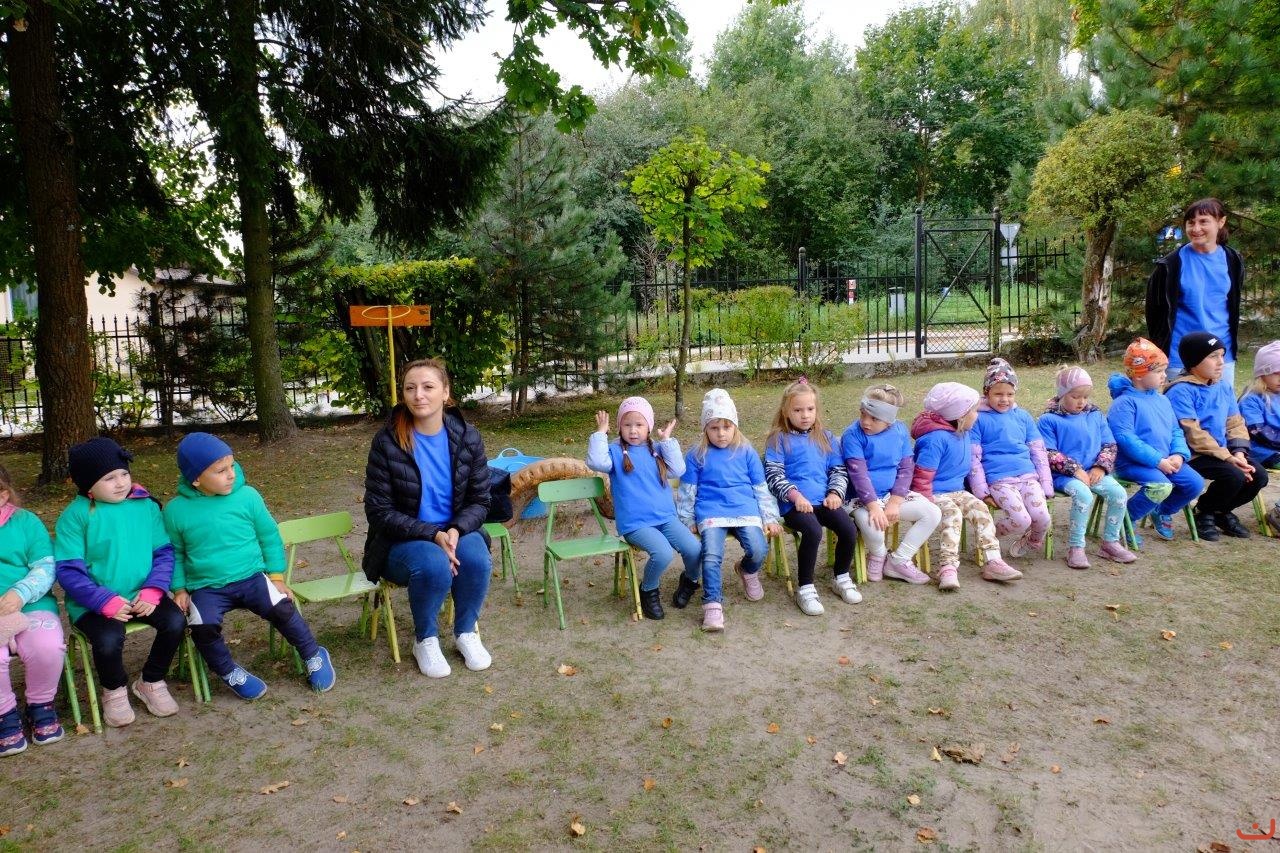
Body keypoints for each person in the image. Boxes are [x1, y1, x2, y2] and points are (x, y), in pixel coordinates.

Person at [164, 433, 336, 699]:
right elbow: (174, 553)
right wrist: (179, 589)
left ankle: (313, 654)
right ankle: (229, 671)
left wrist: (276, 577)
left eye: (232, 466)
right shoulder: (175, 511)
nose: (231, 474)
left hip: (251, 577)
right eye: (221, 471)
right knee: (201, 625)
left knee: (281, 606)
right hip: (207, 587)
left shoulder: (247, 497)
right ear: (196, 479)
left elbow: (269, 536)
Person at [363, 358, 493, 678]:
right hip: (401, 540)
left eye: (428, 387)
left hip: (453, 530)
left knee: (477, 558)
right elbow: (379, 512)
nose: (418, 395)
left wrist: (456, 530)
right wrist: (433, 535)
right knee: (434, 564)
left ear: (445, 392)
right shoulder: (387, 441)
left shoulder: (468, 437)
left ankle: (465, 632)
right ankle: (425, 639)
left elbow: (480, 500)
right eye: (410, 388)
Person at [54, 438, 186, 727]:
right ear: (88, 485)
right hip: (94, 603)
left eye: (124, 473)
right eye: (109, 478)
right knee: (108, 640)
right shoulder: (74, 517)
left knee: (175, 622)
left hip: (142, 595)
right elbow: (69, 571)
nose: (121, 482)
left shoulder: (145, 506)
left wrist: (153, 590)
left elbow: (163, 553)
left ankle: (151, 680)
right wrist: (103, 601)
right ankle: (114, 690)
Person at [676, 389, 781, 632]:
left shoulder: (746, 451)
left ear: (735, 426)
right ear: (705, 428)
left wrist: (769, 517)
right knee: (711, 555)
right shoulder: (696, 454)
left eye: (727, 426)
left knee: (758, 548)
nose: (721, 433)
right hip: (711, 511)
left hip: (745, 509)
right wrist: (687, 519)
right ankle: (712, 604)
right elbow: (687, 491)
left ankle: (747, 570)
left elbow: (760, 488)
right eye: (714, 428)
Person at [586, 397, 699, 620]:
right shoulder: (615, 452)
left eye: (639, 424)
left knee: (694, 550)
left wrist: (667, 441)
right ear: (619, 427)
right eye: (627, 425)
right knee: (663, 553)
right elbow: (596, 462)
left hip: (666, 518)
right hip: (636, 524)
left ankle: (690, 581)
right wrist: (600, 433)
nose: (633, 430)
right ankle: (648, 589)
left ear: (649, 426)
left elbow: (678, 470)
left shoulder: (657, 450)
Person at [910, 382, 1021, 589]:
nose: (977, 415)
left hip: (957, 490)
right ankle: (948, 567)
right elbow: (922, 476)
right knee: (952, 515)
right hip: (933, 493)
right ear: (960, 415)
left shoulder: (963, 431)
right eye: (974, 411)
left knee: (980, 510)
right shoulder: (935, 439)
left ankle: (993, 561)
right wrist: (926, 503)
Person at [763, 378, 859, 615]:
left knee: (849, 529)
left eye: (810, 409)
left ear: (816, 410)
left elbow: (838, 469)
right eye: (798, 410)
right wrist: (795, 496)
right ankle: (805, 588)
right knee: (813, 531)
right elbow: (774, 475)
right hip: (794, 505)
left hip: (824, 500)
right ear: (786, 412)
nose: (805, 415)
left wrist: (835, 492)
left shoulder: (826, 437)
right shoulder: (778, 439)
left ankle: (841, 577)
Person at [1164, 331, 1268, 540]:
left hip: (1222, 453)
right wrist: (1228, 458)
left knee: (1258, 475)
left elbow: (1235, 422)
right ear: (1194, 361)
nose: (1221, 362)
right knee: (1233, 476)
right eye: (1213, 356)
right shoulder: (1180, 390)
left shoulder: (1223, 387)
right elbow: (1193, 433)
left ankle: (1220, 511)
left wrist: (1238, 453)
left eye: (1222, 355)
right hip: (1192, 454)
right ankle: (1204, 511)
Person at [841, 384, 941, 585]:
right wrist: (873, 507)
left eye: (874, 418)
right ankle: (878, 555)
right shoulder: (852, 435)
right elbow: (858, 474)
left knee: (932, 513)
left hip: (890, 496)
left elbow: (906, 468)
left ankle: (898, 560)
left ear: (889, 420)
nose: (865, 421)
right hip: (860, 499)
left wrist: (895, 502)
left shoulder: (899, 431)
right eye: (863, 414)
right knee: (873, 526)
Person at [1037, 367, 1136, 569]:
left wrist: (1100, 467)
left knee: (1118, 493)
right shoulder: (1049, 420)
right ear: (1062, 394)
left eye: (1085, 396)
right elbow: (1047, 452)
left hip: (1093, 471)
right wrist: (1074, 469)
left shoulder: (1095, 415)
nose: (1081, 402)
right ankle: (1076, 547)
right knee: (1084, 495)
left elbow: (1109, 444)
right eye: (1075, 396)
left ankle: (1110, 543)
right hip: (1063, 476)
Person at [1106, 338, 1204, 540]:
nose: (1164, 376)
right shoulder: (1124, 403)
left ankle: (1162, 511)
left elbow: (1175, 430)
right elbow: (1125, 438)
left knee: (1195, 483)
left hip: (1166, 460)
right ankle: (1126, 518)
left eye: (1164, 370)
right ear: (1139, 375)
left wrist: (1178, 454)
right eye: (1158, 371)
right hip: (1133, 463)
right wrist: (1157, 461)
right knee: (1161, 486)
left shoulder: (1162, 400)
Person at [1146, 197, 1245, 388]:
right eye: (1191, 222)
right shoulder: (1169, 265)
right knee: (1182, 407)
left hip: (1222, 356)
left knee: (1221, 406)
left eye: (1203, 221)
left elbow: (1231, 306)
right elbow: (1154, 314)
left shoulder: (1233, 260)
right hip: (1181, 357)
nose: (1196, 228)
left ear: (1221, 222)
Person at [0, 465, 64, 755]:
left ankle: (40, 704)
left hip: (31, 604)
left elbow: (46, 566)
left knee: (46, 647)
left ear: (3, 496)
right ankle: (5, 714)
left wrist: (20, 592)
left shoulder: (26, 522)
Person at [969, 359, 1054, 559]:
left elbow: (1038, 452)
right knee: (1021, 520)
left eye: (1010, 394)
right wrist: (982, 491)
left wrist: (1046, 484)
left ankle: (1033, 541)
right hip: (1000, 481)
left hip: (1028, 478)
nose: (1004, 399)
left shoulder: (1023, 416)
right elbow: (973, 458)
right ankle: (988, 538)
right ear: (986, 392)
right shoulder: (977, 419)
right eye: (998, 394)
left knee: (1042, 517)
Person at [1238, 340, 1280, 469]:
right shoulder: (1250, 400)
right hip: (1262, 450)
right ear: (1262, 374)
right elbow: (1258, 431)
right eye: (1276, 373)